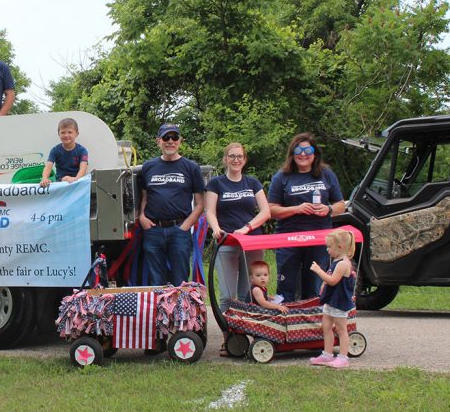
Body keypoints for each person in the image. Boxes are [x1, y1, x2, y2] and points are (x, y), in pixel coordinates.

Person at [268, 133, 345, 302]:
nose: (303, 154)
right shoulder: (282, 176)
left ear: (315, 153)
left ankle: (310, 326)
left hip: (319, 239)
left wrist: (328, 209)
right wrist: (297, 209)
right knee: (286, 287)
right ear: (292, 153)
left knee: (313, 286)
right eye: (298, 150)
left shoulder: (326, 174)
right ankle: (285, 324)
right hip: (288, 238)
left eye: (308, 150)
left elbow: (341, 205)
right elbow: (271, 210)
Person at [136, 123, 205, 286]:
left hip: (179, 230)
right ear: (158, 141)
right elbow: (144, 197)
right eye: (166, 137)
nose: (170, 141)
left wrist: (186, 226)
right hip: (153, 230)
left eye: (174, 137)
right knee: (156, 281)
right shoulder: (148, 167)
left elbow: (200, 203)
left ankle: (180, 312)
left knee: (180, 281)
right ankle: (160, 312)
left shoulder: (191, 167)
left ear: (180, 141)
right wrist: (142, 217)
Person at [205, 142, 270, 309]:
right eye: (232, 156)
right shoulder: (216, 184)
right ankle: (228, 334)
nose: (236, 159)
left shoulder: (252, 183)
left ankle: (246, 330)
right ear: (225, 159)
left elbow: (265, 212)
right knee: (227, 295)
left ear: (245, 159)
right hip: (227, 240)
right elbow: (210, 212)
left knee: (249, 292)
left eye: (239, 156)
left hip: (252, 242)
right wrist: (216, 228)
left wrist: (246, 228)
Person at [309, 229, 357, 368]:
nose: (327, 249)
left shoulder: (343, 264)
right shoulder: (336, 260)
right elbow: (330, 279)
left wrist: (319, 271)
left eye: (329, 246)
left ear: (340, 247)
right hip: (331, 300)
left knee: (341, 329)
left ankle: (343, 357)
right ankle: (327, 354)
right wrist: (324, 285)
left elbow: (333, 280)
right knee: (326, 326)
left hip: (339, 301)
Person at [40, 117, 89, 188]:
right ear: (59, 134)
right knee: (65, 178)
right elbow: (48, 167)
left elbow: (83, 169)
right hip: (60, 182)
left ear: (77, 134)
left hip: (77, 182)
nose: (66, 135)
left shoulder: (82, 150)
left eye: (70, 132)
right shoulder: (55, 150)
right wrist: (44, 178)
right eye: (63, 132)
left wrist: (76, 180)